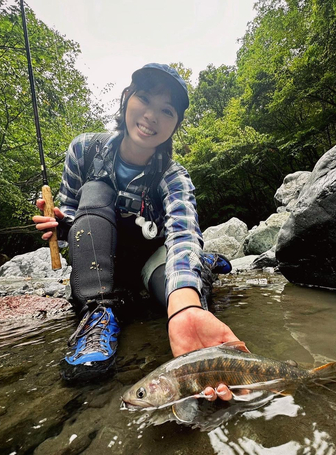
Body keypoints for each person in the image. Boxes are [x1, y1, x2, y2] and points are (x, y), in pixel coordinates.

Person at [33, 63, 239, 401]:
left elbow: (183, 232)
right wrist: (60, 223)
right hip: (104, 259)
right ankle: (97, 314)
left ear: (175, 124)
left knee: (173, 297)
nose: (152, 115)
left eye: (166, 110)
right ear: (126, 98)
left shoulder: (174, 177)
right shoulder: (83, 150)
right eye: (144, 98)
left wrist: (186, 307)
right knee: (95, 190)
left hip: (151, 257)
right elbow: (71, 212)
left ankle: (201, 266)